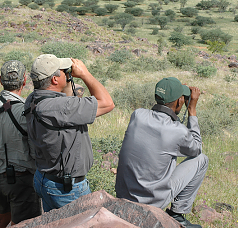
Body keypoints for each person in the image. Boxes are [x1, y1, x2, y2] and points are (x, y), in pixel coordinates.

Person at [24, 54, 114, 212]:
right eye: (63, 71)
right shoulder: (62, 107)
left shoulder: (32, 99)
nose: (67, 73)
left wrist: (66, 79)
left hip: (44, 178)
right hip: (66, 190)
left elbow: (63, 98)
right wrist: (85, 73)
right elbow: (107, 103)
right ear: (54, 80)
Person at [115, 77, 208, 228]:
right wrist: (191, 109)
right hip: (153, 202)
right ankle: (177, 214)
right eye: (181, 99)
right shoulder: (177, 131)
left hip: (124, 195)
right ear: (179, 101)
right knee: (202, 159)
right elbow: (196, 148)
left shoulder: (137, 115)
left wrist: (176, 91)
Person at [0, 60, 41, 227]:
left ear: (1, 81)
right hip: (20, 180)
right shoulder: (25, 110)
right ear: (24, 80)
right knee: (26, 224)